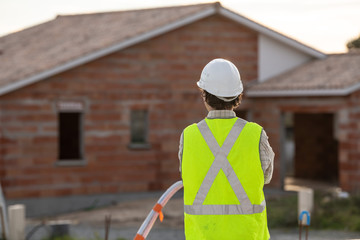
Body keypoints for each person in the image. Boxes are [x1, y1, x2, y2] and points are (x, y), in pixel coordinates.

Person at [178, 58, 274, 240]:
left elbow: (188, 175)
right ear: (238, 96)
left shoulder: (188, 136)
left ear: (204, 95)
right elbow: (265, 177)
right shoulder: (256, 134)